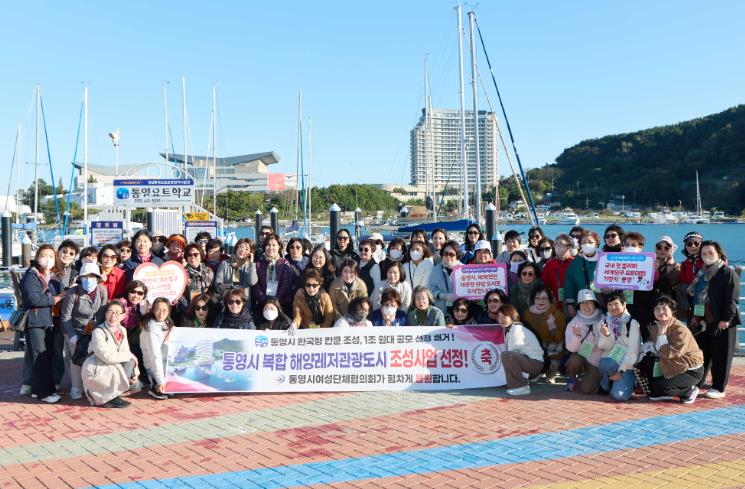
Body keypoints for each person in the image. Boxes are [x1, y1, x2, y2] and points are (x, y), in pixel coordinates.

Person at [689, 240, 740, 399]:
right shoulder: (702, 273)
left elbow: (732, 299)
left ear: (719, 254)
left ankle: (719, 387)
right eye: (703, 253)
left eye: (710, 252)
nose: (707, 255)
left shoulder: (727, 272)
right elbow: (697, 296)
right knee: (703, 353)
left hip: (723, 321)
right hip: (705, 320)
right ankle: (698, 381)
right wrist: (696, 316)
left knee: (721, 356)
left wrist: (726, 319)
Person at [19, 245, 65, 402]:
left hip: (48, 321)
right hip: (35, 321)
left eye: (51, 256)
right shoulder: (31, 275)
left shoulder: (52, 276)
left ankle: (37, 389)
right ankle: (44, 393)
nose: (47, 259)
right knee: (40, 356)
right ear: (37, 257)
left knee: (46, 356)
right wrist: (57, 298)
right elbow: (34, 299)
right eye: (44, 255)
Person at [60, 262, 108, 400]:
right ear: (80, 278)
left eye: (92, 276)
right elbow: (65, 317)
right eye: (85, 277)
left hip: (93, 328)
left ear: (97, 278)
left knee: (94, 356)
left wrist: (99, 331)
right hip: (73, 328)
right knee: (76, 356)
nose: (88, 280)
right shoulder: (72, 293)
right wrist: (72, 336)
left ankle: (92, 386)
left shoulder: (102, 291)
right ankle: (76, 387)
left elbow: (102, 313)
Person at [647, 295, 704, 404]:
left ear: (672, 311)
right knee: (653, 390)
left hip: (689, 370)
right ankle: (667, 388)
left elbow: (670, 353)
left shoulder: (680, 329)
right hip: (672, 366)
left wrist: (662, 335)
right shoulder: (656, 326)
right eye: (657, 308)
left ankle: (689, 391)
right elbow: (652, 346)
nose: (660, 311)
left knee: (660, 388)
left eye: (664, 308)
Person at [81, 300, 139, 408]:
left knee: (134, 377)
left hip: (111, 365)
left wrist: (135, 368)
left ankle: (113, 395)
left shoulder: (122, 330)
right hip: (97, 367)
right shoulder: (98, 331)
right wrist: (130, 357)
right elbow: (106, 356)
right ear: (105, 314)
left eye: (117, 312)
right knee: (129, 361)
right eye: (110, 312)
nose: (113, 316)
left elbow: (126, 351)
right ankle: (107, 398)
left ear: (123, 316)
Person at [597, 291, 641, 401]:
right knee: (604, 363)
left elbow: (633, 351)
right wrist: (606, 335)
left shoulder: (632, 323)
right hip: (612, 361)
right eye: (610, 304)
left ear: (624, 304)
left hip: (627, 365)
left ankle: (629, 383)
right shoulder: (605, 321)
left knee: (619, 396)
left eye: (616, 304)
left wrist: (621, 371)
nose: (613, 308)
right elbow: (603, 347)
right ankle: (606, 384)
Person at [499, 304, 545, 396]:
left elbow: (511, 353)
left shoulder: (516, 329)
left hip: (535, 364)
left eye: (504, 316)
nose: (501, 319)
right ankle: (523, 381)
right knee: (506, 355)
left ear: (512, 316)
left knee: (506, 355)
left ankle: (520, 387)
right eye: (499, 317)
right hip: (534, 364)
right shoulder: (510, 329)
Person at [523, 285, 566, 382]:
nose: (540, 301)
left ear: (549, 300)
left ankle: (551, 371)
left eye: (544, 298)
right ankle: (536, 371)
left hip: (550, 344)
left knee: (557, 348)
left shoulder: (557, 314)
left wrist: (552, 327)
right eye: (537, 298)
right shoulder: (527, 313)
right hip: (534, 343)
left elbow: (559, 339)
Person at [564, 289, 604, 394]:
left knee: (587, 390)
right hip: (581, 356)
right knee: (573, 361)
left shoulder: (603, 319)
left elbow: (606, 345)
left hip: (596, 361)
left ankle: (589, 380)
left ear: (594, 304)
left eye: (589, 302)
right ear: (579, 306)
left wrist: (600, 336)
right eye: (582, 303)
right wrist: (577, 336)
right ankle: (573, 378)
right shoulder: (574, 322)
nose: (586, 306)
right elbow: (571, 349)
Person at [140, 297, 175, 400]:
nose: (161, 313)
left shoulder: (167, 324)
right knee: (167, 390)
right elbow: (155, 356)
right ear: (153, 310)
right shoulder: (149, 329)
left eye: (164, 310)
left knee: (174, 389)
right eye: (158, 309)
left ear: (168, 311)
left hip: (166, 361)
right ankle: (155, 384)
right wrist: (160, 381)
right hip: (153, 364)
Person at [253, 233, 295, 315]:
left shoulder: (284, 263)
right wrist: (263, 299)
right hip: (263, 304)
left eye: (274, 245)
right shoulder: (258, 264)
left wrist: (274, 301)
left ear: (279, 246)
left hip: (281, 304)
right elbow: (256, 284)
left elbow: (285, 285)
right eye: (268, 245)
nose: (270, 247)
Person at [564, 230, 601, 319]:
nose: (587, 244)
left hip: (602, 302)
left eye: (590, 242)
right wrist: (570, 304)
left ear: (597, 244)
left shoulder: (605, 258)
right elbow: (569, 283)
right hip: (583, 304)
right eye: (584, 242)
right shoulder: (576, 261)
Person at [121, 280, 149, 389]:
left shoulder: (141, 307)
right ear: (128, 292)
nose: (136, 295)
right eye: (133, 291)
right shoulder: (121, 304)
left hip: (134, 340)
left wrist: (144, 313)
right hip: (120, 340)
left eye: (140, 293)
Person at [214, 238, 258, 302]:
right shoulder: (225, 263)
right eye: (241, 247)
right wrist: (234, 288)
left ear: (250, 252)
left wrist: (251, 262)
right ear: (236, 248)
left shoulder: (250, 266)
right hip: (227, 301)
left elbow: (252, 282)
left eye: (247, 249)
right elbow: (218, 284)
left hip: (243, 302)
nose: (243, 250)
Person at [540, 233, 574, 314]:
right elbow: (544, 285)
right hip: (555, 305)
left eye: (561, 244)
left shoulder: (576, 263)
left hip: (574, 304)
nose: (557, 246)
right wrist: (550, 296)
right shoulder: (550, 264)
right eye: (556, 244)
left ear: (569, 247)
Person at [677, 231, 704, 317]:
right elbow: (683, 283)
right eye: (689, 243)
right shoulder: (685, 264)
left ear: (701, 245)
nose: (693, 246)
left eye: (696, 243)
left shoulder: (707, 261)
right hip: (692, 301)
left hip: (706, 300)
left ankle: (697, 317)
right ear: (685, 246)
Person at [428, 240, 459, 315]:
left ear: (457, 255)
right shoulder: (435, 270)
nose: (448, 256)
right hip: (441, 311)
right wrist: (443, 295)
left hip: (461, 312)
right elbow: (430, 290)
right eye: (445, 254)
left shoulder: (465, 269)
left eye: (451, 254)